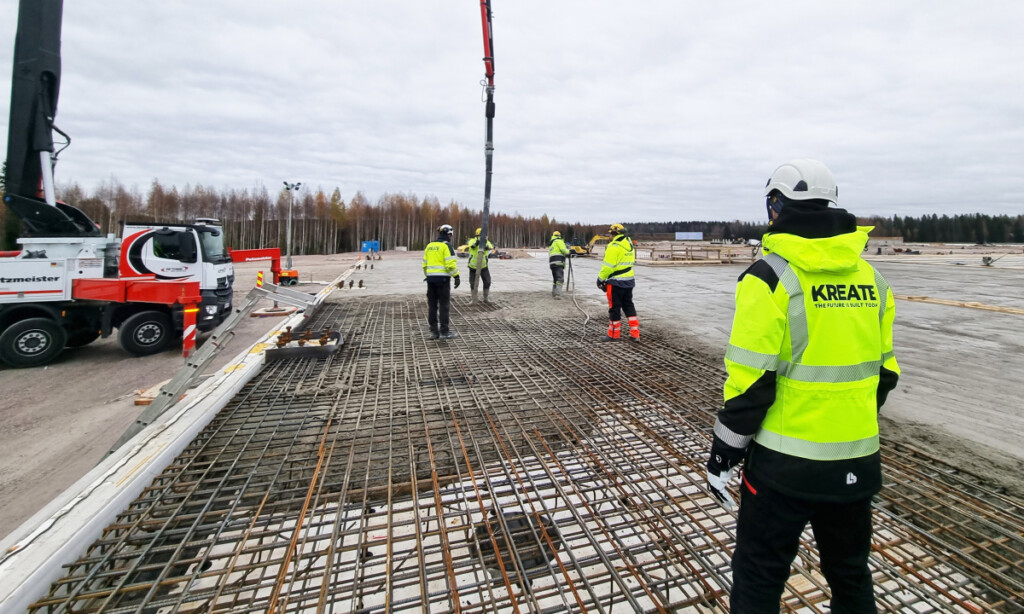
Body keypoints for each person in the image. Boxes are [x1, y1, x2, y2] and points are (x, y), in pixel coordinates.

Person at [706, 159, 900, 613]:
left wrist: (724, 452)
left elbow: (751, 382)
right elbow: (885, 374)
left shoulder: (768, 277)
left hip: (782, 471)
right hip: (854, 463)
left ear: (776, 206)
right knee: (851, 574)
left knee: (759, 573)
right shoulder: (873, 280)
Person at [596, 223, 639, 341]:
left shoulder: (613, 246)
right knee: (629, 306)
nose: (610, 235)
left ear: (614, 233)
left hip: (615, 283)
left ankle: (614, 335)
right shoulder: (629, 244)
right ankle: (635, 334)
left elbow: (608, 267)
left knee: (614, 308)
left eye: (610, 233)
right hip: (629, 281)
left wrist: (600, 279)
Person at [422, 223, 461, 339]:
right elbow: (450, 264)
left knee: (432, 306)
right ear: (448, 234)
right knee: (444, 306)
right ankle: (444, 331)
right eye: (450, 235)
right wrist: (456, 276)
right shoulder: (447, 246)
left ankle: (434, 332)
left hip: (430, 280)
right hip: (443, 281)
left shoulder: (429, 246)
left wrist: (429, 276)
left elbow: (424, 264)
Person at [467, 227, 495, 302]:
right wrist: (476, 243)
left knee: (487, 281)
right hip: (473, 267)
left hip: (483, 266)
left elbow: (490, 247)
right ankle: (474, 298)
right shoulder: (472, 241)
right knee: (473, 283)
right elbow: (471, 246)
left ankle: (485, 298)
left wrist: (486, 246)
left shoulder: (486, 241)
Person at [548, 230, 570, 299]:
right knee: (560, 279)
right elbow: (563, 250)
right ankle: (558, 294)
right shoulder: (559, 241)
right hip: (558, 262)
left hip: (552, 263)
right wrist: (569, 252)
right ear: (559, 236)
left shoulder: (552, 243)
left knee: (555, 279)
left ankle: (554, 292)